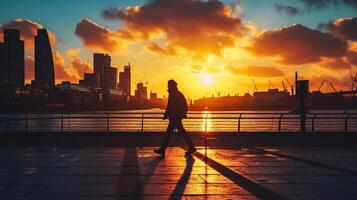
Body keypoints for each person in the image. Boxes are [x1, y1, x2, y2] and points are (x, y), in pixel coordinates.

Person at [154, 80, 196, 156]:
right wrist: (168, 114)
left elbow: (170, 106)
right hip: (176, 117)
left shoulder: (174, 94)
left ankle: (163, 149)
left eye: (168, 85)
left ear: (171, 86)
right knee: (181, 133)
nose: (167, 86)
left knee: (169, 133)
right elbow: (172, 106)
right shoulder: (176, 94)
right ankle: (191, 147)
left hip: (175, 117)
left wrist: (166, 114)